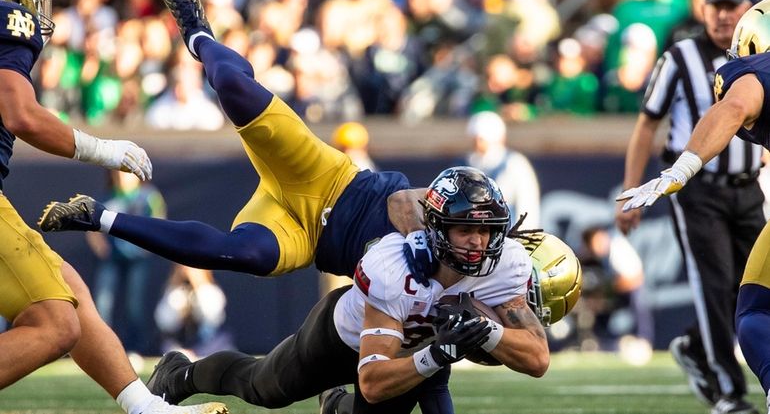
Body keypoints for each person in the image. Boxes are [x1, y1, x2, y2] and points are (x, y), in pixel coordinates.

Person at [38, 0, 434, 287]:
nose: (471, 245)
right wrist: (420, 238)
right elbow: (403, 200)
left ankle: (99, 216)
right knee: (231, 85)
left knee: (245, 253)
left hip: (310, 237)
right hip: (329, 180)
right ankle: (198, 34)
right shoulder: (459, 226)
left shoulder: (459, 293)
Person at [143, 167, 550, 414]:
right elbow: (372, 380)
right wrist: (440, 351)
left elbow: (537, 358)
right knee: (262, 387)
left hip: (411, 351)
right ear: (437, 227)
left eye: (487, 230)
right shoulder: (396, 264)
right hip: (342, 337)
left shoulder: (505, 265)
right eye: (466, 229)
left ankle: (335, 404)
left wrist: (486, 331)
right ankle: (180, 373)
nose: (478, 243)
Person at [0, 0, 225, 413]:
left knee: (70, 289)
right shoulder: (11, 20)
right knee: (56, 324)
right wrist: (102, 149)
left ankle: (144, 406)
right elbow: (21, 115)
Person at [617, 0, 770, 414]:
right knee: (723, 285)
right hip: (706, 195)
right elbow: (649, 121)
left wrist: (680, 169)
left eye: (732, 6)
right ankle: (727, 390)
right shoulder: (681, 57)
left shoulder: (755, 69)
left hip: (738, 186)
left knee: (754, 306)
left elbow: (735, 106)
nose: (723, 15)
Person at [88, 170, 167, 355]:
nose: (121, 177)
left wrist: (148, 246)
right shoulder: (106, 197)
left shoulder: (149, 196)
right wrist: (99, 245)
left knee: (134, 304)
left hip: (137, 258)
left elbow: (160, 221)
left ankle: (134, 348)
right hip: (111, 258)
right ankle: (101, 348)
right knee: (103, 302)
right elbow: (91, 224)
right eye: (118, 173)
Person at [464, 111, 540, 229]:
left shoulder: (515, 163)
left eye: (481, 139)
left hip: (508, 235)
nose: (477, 143)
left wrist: (522, 238)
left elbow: (527, 204)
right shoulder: (469, 163)